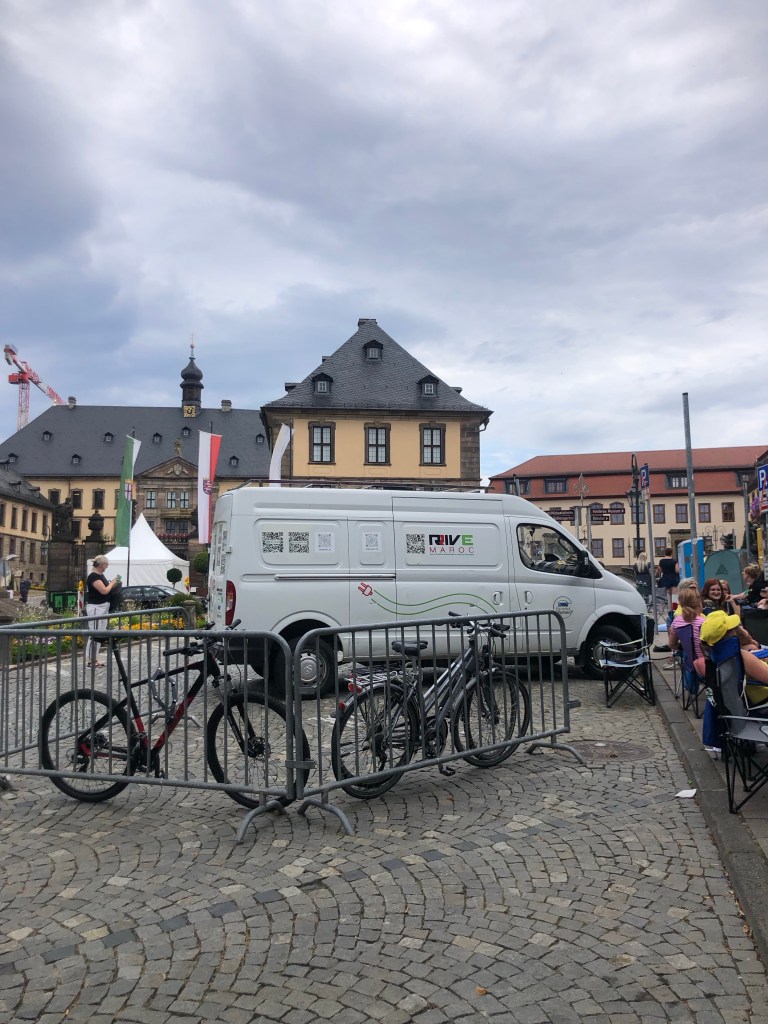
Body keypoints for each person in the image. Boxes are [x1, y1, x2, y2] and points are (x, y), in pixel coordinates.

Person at [700, 609, 768, 708]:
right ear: (730, 633)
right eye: (734, 628)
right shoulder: (743, 657)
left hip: (733, 703)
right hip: (762, 703)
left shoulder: (716, 654)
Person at [85, 555, 121, 667]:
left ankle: (94, 659)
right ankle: (91, 660)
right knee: (95, 633)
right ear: (102, 565)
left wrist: (114, 584)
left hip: (103, 607)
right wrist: (112, 583)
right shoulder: (93, 577)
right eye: (106, 564)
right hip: (96, 607)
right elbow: (104, 591)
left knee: (100, 634)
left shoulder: (100, 575)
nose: (107, 566)